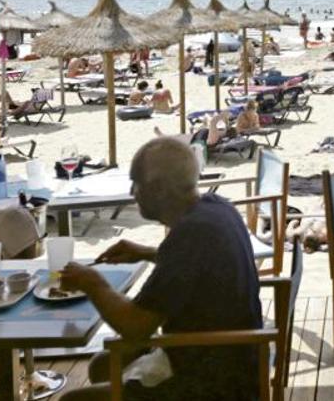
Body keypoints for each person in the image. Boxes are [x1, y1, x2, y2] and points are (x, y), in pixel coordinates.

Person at [57, 138, 263, 400]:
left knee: (71, 400)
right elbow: (199, 266)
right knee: (103, 366)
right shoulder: (216, 207)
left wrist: (92, 283)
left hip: (214, 381)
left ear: (160, 190)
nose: (133, 192)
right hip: (233, 357)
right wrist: (147, 253)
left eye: (137, 184)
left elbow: (135, 327)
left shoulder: (191, 234)